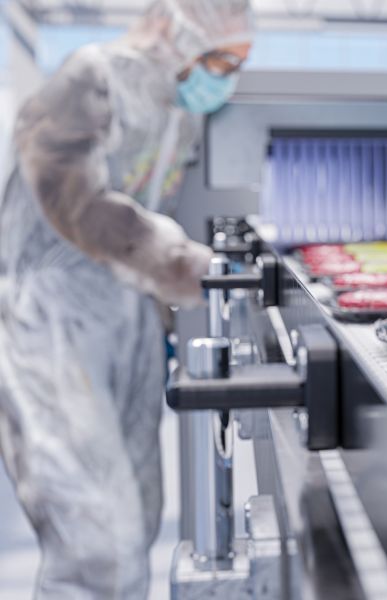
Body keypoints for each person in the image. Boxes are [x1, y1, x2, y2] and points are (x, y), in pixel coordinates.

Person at [0, 1, 253, 597]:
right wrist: (190, 266)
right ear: (172, 27)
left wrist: (166, 311)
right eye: (219, 59)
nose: (223, 78)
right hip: (52, 324)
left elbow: (151, 210)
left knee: (137, 510)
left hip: (129, 318)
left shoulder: (176, 111)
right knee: (95, 538)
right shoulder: (89, 77)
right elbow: (76, 203)